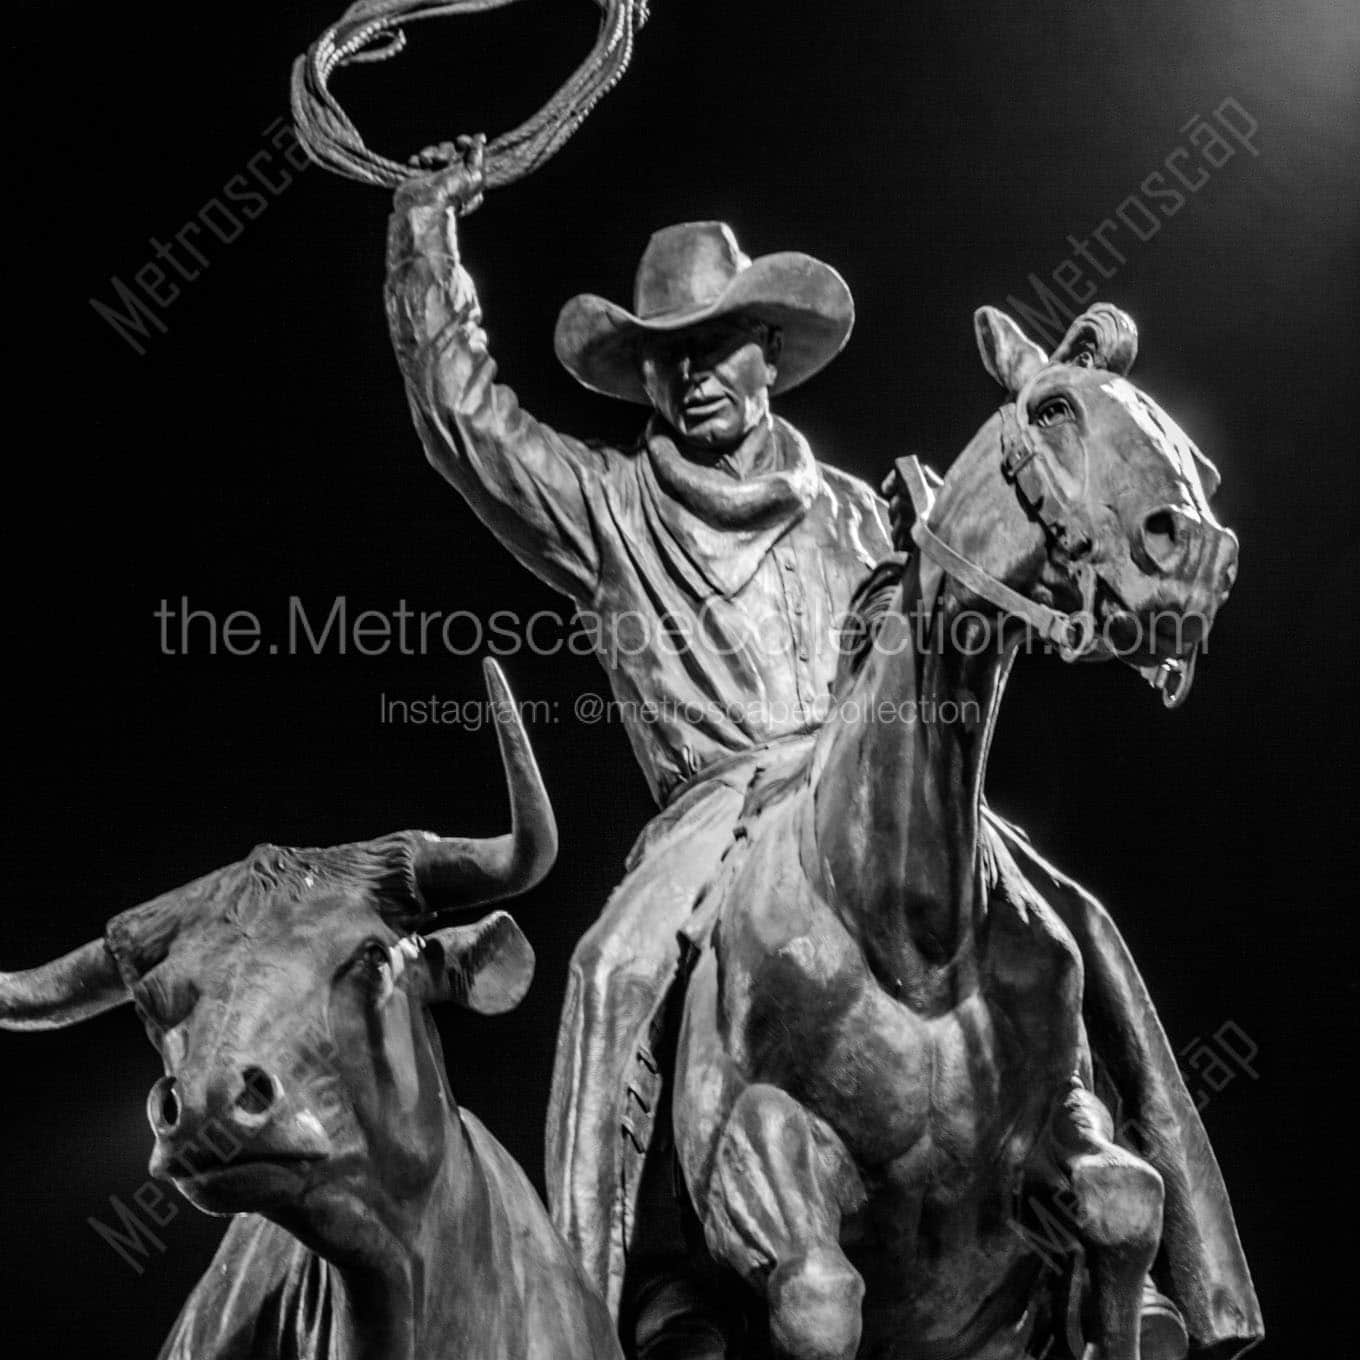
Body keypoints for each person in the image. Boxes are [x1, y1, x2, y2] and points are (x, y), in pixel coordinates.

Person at [384, 138, 1258, 1358]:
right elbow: (463, 419)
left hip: (871, 776)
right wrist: (423, 239)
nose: (692, 375)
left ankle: (1175, 1274)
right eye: (664, 356)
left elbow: (960, 628)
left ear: (768, 353)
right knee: (608, 968)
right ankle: (596, 1295)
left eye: (716, 345)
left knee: (1077, 928)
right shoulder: (604, 506)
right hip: (717, 810)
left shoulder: (857, 505)